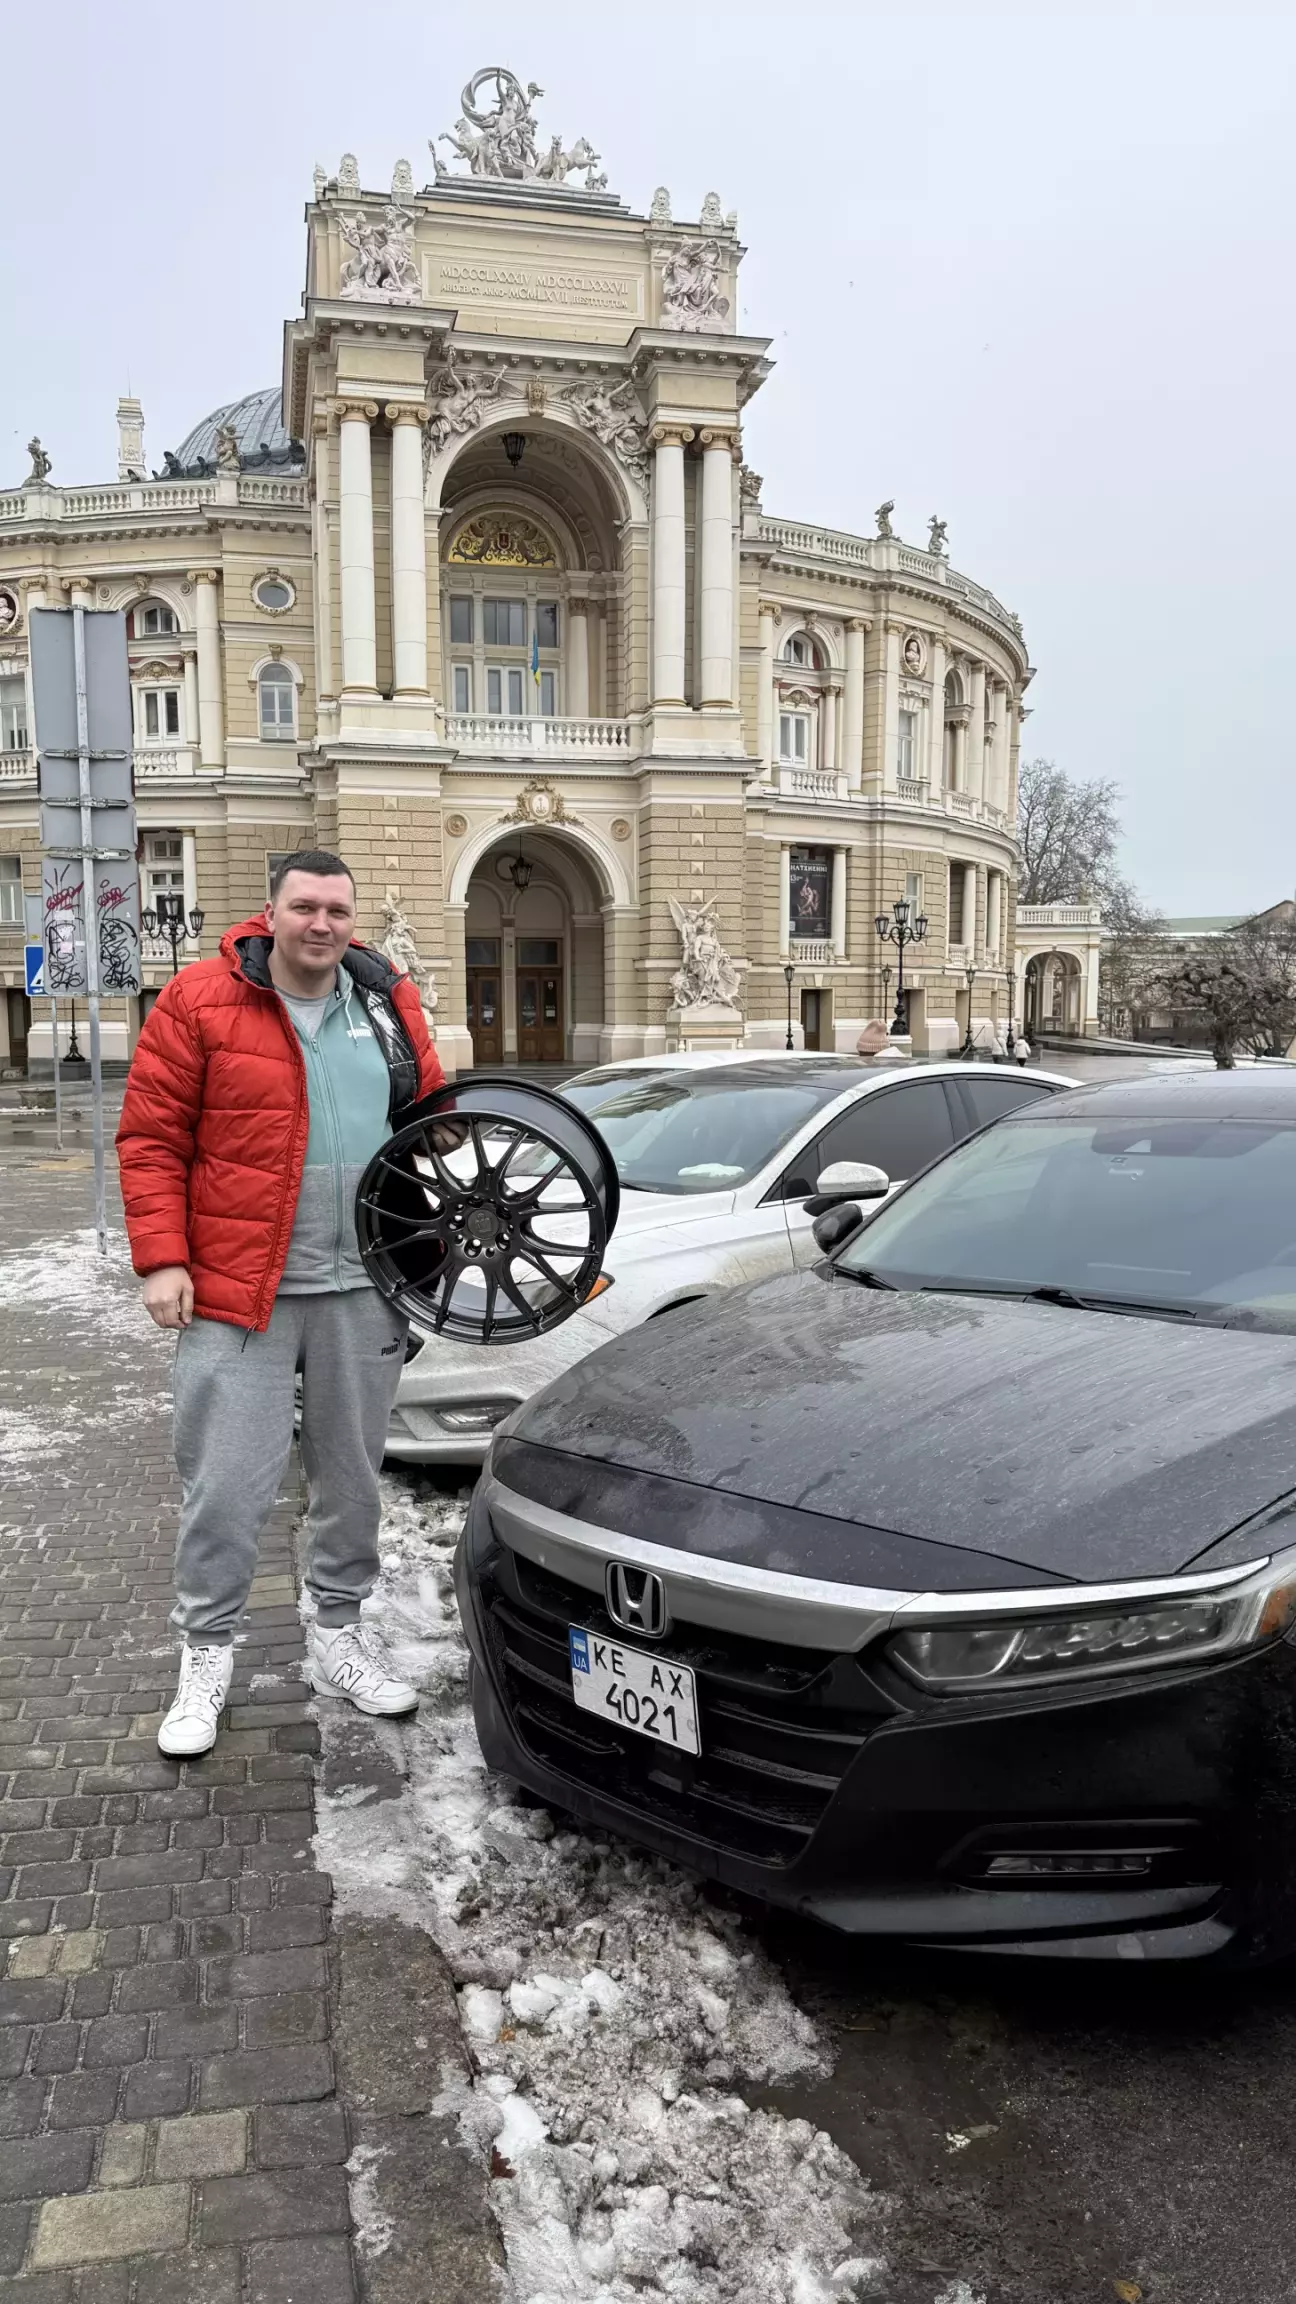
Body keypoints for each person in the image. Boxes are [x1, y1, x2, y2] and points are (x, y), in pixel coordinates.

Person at [116, 851, 444, 1757]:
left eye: (337, 909)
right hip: (236, 1294)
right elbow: (150, 1139)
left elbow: (426, 1120)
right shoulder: (200, 1000)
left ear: (352, 919)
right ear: (270, 914)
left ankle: (339, 1634)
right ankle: (206, 1653)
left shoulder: (386, 1002)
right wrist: (162, 1261)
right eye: (305, 907)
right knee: (226, 1487)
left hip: (363, 1290)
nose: (322, 924)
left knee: (352, 1482)